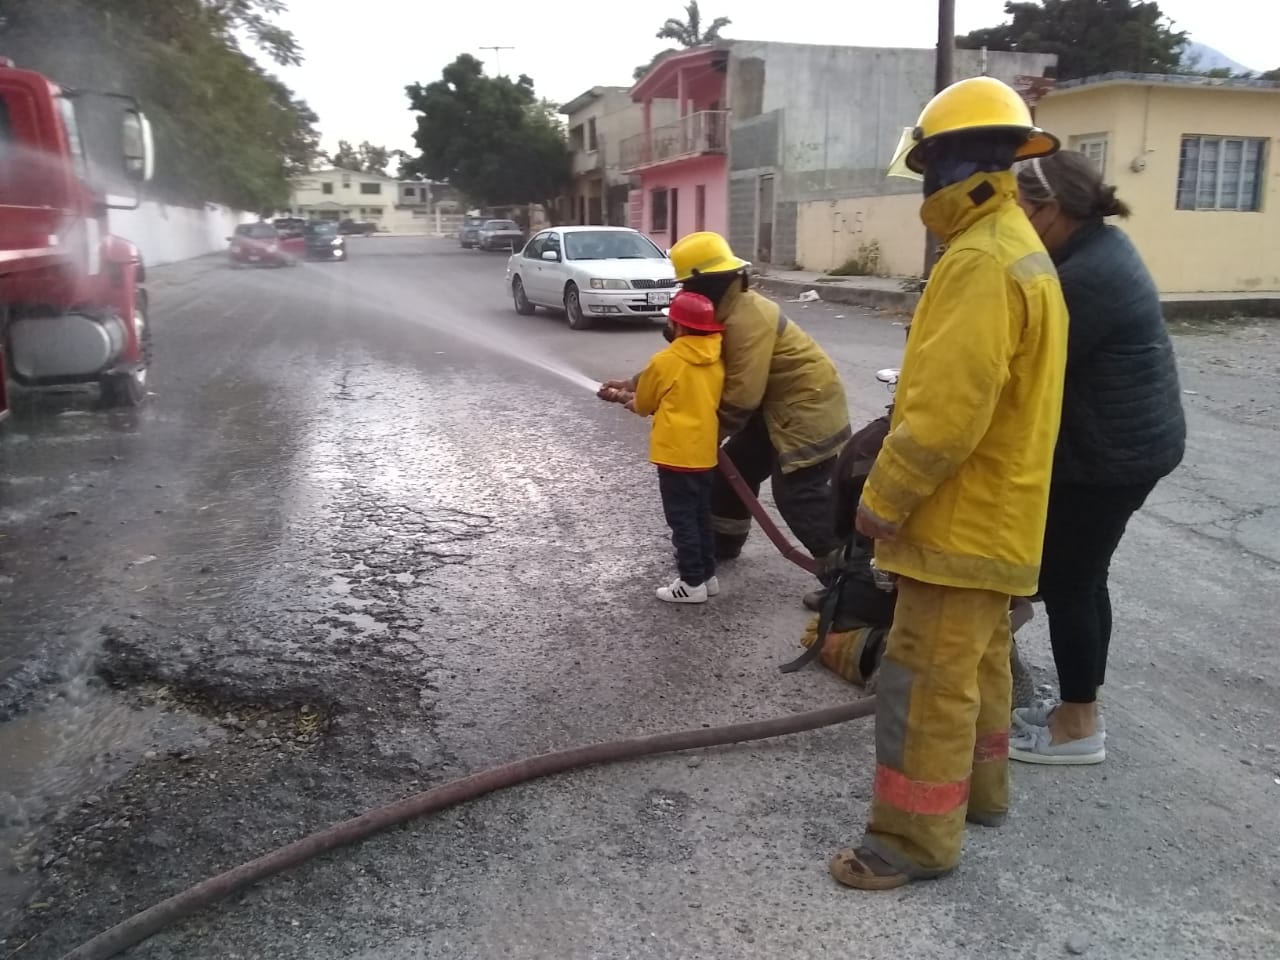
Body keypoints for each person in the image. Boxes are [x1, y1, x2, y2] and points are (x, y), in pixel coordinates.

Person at [827, 76, 1069, 891]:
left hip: (955, 528)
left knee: (926, 684)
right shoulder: (1018, 246)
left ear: (944, 166)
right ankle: (984, 797)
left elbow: (940, 419)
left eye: (926, 168)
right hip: (1000, 522)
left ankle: (909, 842)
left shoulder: (978, 261)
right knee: (980, 668)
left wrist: (879, 502)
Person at [1008, 152, 1187, 764]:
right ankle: (1079, 706)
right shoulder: (1095, 250)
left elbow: (1028, 370)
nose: (1014, 219)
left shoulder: (1084, 277)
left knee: (1068, 581)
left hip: (1112, 455)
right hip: (1132, 446)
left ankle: (1079, 726)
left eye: (1019, 207)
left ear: (1051, 209)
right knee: (1084, 578)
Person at [601, 232, 852, 594]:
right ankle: (721, 546)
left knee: (797, 495)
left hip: (806, 411)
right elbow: (683, 363)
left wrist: (705, 434)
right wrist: (634, 383)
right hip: (774, 412)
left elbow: (741, 397)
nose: (684, 292)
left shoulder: (748, 318)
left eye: (687, 284)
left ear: (707, 282)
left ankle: (846, 583)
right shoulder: (725, 310)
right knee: (737, 464)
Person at [600, 290, 726, 604]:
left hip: (675, 454)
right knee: (700, 516)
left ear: (680, 327)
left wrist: (620, 397)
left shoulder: (667, 360)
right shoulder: (716, 357)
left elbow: (644, 404)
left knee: (681, 519)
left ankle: (691, 582)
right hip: (704, 452)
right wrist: (626, 386)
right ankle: (707, 576)